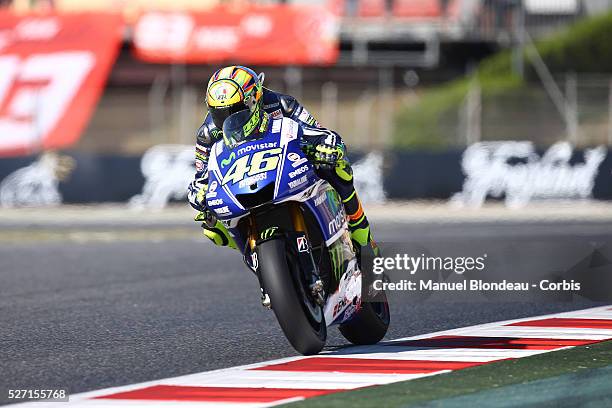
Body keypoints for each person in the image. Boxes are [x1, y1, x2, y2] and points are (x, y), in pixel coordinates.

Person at [187, 65, 377, 256]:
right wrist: (198, 192)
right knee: (210, 226)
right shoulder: (207, 133)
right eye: (219, 113)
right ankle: (254, 253)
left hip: (288, 167)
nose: (229, 118)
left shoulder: (282, 104)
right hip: (241, 181)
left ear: (254, 99)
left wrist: (325, 145)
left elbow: (316, 131)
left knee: (338, 167)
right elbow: (203, 176)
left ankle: (362, 236)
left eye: (236, 110)